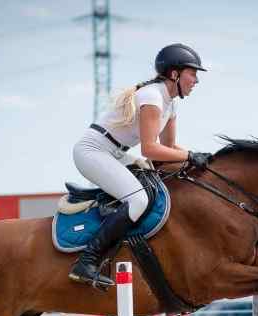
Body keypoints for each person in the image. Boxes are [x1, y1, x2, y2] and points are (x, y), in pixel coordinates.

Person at [69, 43, 212, 287]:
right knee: (138, 199)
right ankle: (87, 261)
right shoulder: (152, 96)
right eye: (193, 73)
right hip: (93, 151)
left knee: (153, 183)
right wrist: (189, 156)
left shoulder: (170, 103)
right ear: (175, 74)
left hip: (113, 152)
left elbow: (169, 148)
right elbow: (150, 149)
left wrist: (201, 156)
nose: (196, 80)